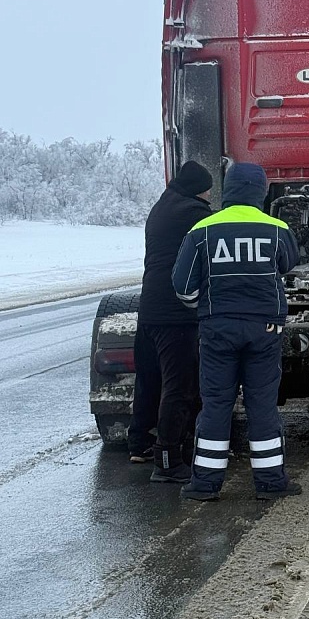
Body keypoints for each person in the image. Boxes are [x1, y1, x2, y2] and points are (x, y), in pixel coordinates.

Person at [172, 162, 302, 502]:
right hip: (265, 329)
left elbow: (182, 285)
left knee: (216, 403)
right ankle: (271, 483)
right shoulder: (277, 228)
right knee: (262, 404)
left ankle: (205, 485)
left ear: (227, 191)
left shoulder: (202, 229)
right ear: (260, 192)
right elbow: (289, 264)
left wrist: (208, 309)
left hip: (218, 329)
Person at [127, 160, 213, 484]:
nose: (208, 195)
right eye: (206, 190)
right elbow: (217, 234)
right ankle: (168, 459)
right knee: (180, 386)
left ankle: (140, 444)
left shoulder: (160, 208)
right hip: (176, 312)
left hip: (149, 307)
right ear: (197, 188)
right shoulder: (193, 213)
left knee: (149, 379)